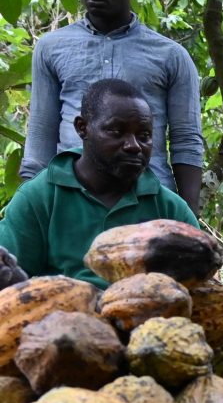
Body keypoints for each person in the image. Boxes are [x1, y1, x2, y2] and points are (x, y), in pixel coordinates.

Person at [21, 0, 203, 208]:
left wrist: (188, 215)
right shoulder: (51, 47)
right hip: (70, 197)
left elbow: (187, 140)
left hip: (148, 197)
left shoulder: (171, 56)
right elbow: (42, 131)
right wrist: (31, 203)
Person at [0, 78, 200, 289]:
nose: (133, 146)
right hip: (56, 318)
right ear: (82, 128)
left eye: (144, 136)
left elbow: (202, 287)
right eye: (116, 131)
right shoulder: (40, 198)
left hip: (150, 318)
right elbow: (9, 275)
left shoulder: (170, 209)